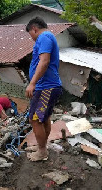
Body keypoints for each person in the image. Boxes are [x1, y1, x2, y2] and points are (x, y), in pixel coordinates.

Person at [25, 17, 63, 161]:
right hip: (48, 85)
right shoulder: (48, 37)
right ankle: (42, 146)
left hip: (45, 86)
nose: (32, 39)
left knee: (35, 120)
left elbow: (44, 60)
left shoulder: (44, 37)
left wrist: (32, 83)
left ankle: (42, 152)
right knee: (43, 118)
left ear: (34, 29)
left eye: (31, 35)